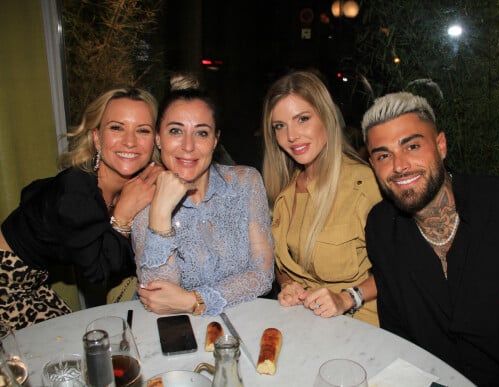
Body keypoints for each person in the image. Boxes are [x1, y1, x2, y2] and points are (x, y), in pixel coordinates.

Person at [361, 91, 499, 386]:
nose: (399, 166)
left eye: (412, 146)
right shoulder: (380, 228)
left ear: (441, 145)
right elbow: (399, 333)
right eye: (384, 155)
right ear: (373, 165)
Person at [0, 87, 162, 330]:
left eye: (142, 130)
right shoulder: (76, 188)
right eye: (116, 127)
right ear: (97, 138)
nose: (130, 141)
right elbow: (96, 273)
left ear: (155, 141)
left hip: (30, 283)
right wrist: (123, 215)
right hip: (6, 286)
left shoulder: (131, 186)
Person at [133, 75, 274, 316]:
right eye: (176, 131)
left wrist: (195, 300)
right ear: (158, 138)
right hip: (175, 331)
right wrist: (159, 215)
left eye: (201, 133)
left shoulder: (246, 183)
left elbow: (262, 275)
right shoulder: (142, 199)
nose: (188, 146)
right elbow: (157, 299)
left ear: (215, 140)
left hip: (242, 320)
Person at [261, 70, 382, 326]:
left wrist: (348, 298)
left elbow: (403, 269)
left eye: (302, 119)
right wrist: (289, 284)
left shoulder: (364, 184)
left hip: (362, 329)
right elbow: (284, 265)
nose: (291, 136)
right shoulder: (284, 193)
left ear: (326, 118)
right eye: (280, 126)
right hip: (305, 326)